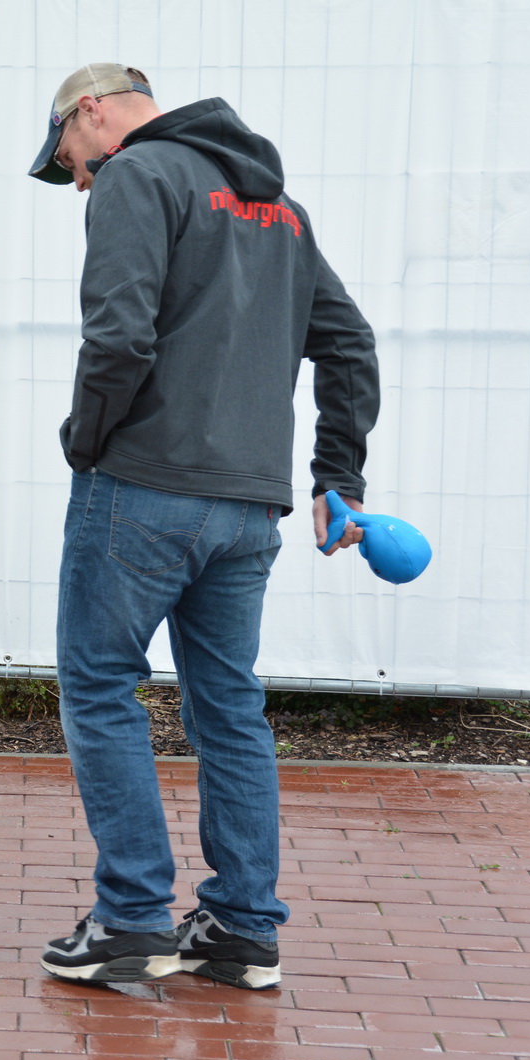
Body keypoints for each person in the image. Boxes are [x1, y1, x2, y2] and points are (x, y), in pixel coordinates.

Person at [28, 64, 380, 988]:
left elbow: (118, 333)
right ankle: (240, 928)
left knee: (101, 687)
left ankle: (134, 918)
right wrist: (335, 475)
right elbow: (349, 340)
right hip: (247, 508)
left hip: (142, 487)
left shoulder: (136, 177)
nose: (76, 180)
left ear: (91, 113)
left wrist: (86, 440)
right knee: (228, 706)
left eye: (68, 157)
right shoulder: (283, 209)